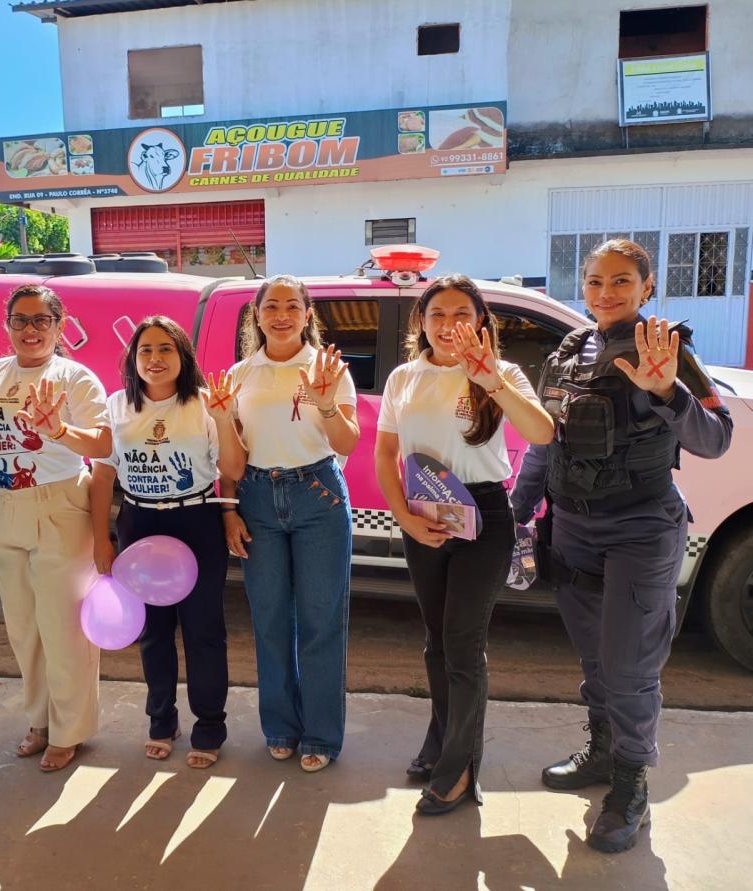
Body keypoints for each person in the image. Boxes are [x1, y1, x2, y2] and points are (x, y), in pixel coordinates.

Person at [511, 239, 732, 852]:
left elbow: (716, 441)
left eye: (621, 281)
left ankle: (631, 783)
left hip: (642, 527)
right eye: (595, 281)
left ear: (647, 288)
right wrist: (519, 511)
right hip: (575, 528)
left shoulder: (667, 350)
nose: (606, 293)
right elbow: (544, 443)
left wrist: (668, 393)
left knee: (631, 669)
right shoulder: (567, 353)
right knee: (595, 659)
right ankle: (605, 752)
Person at [374, 274, 554, 815]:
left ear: (480, 322)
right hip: (423, 513)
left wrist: (491, 380)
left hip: (483, 516)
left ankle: (459, 771)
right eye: (437, 315)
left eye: (461, 314)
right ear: (421, 324)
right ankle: (442, 743)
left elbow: (542, 432)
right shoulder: (404, 377)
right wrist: (403, 517)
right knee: (436, 641)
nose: (449, 325)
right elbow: (386, 456)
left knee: (462, 644)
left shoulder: (502, 373)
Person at [0, 284, 111, 773]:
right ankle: (40, 721)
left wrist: (58, 432)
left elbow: (103, 442)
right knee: (24, 628)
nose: (30, 330)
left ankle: (70, 730)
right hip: (2, 506)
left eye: (41, 321)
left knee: (63, 627)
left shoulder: (76, 377)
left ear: (59, 326)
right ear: (6, 324)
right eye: (20, 320)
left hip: (59, 507)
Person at [91, 316, 245, 769]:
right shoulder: (117, 404)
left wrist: (222, 415)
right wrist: (103, 537)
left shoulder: (203, 404)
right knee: (152, 633)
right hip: (139, 523)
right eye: (145, 351)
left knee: (203, 633)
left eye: (165, 350)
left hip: (196, 522)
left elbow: (233, 471)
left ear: (183, 357)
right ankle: (161, 721)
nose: (155, 359)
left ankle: (210, 726)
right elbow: (103, 474)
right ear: (133, 359)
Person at [221, 275, 360, 773]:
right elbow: (231, 461)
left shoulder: (328, 369)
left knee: (322, 623)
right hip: (257, 495)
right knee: (270, 620)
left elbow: (346, 444)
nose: (281, 314)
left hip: (317, 494)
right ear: (256, 315)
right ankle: (280, 726)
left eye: (292, 306)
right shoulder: (239, 375)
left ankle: (322, 734)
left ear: (307, 314)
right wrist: (229, 509)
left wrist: (323, 400)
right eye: (271, 305)